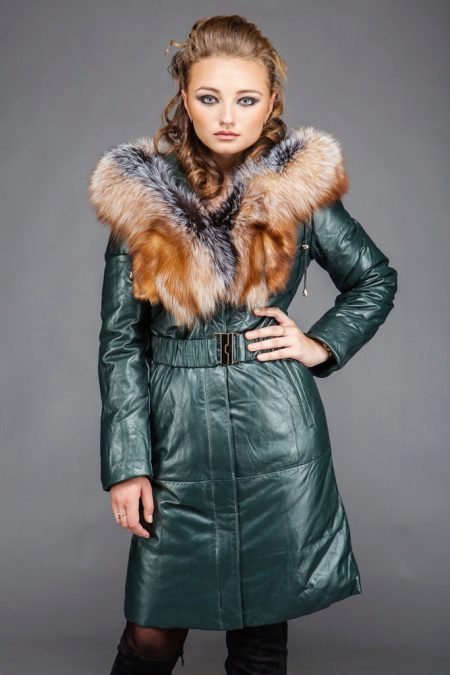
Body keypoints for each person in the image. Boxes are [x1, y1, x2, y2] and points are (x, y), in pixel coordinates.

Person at [87, 14, 398, 675]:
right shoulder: (143, 198)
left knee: (260, 633)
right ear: (184, 98)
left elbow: (374, 278)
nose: (227, 116)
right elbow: (120, 341)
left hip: (274, 434)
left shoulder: (298, 194)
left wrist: (320, 345)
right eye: (210, 97)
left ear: (271, 103)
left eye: (246, 99)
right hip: (177, 436)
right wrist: (128, 463)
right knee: (151, 635)